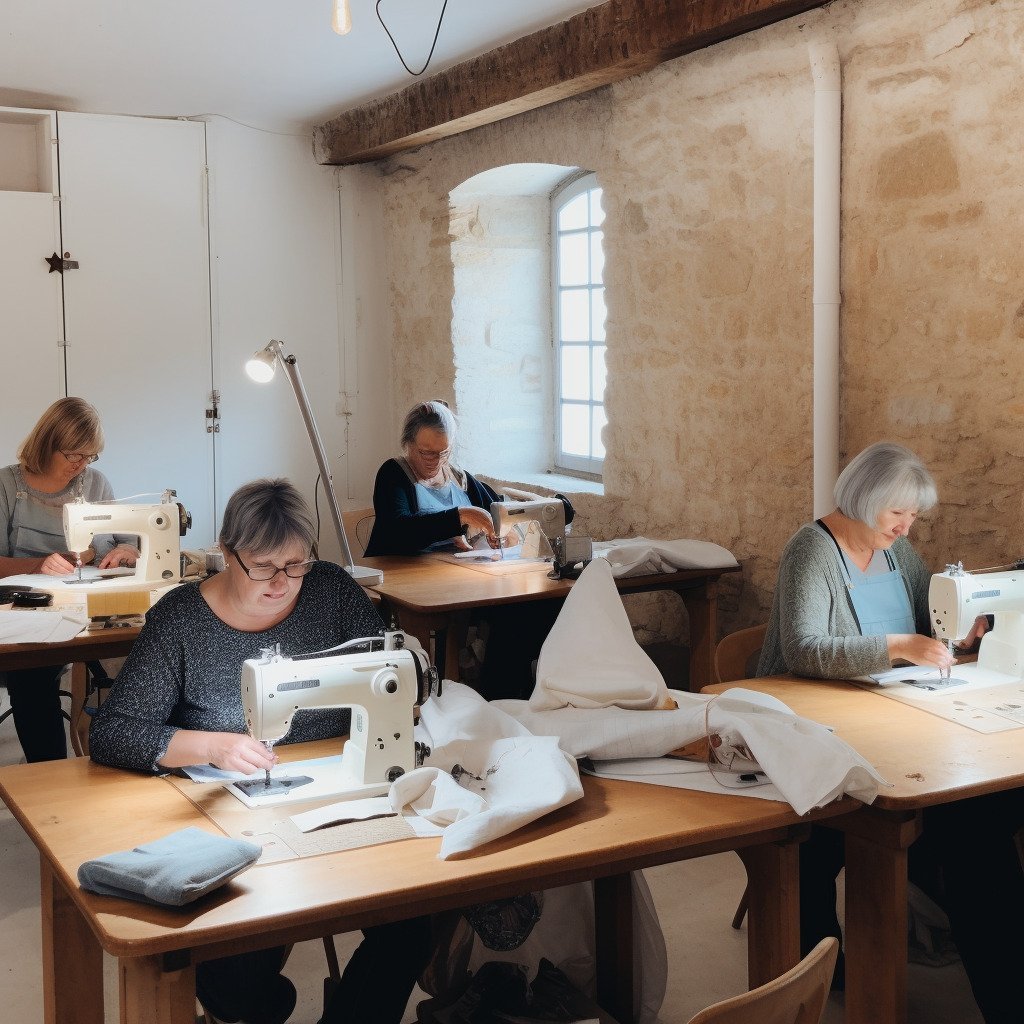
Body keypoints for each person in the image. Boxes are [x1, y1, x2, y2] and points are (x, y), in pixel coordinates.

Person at [90, 479, 431, 1024]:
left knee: (420, 912)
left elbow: (388, 673)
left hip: (338, 811)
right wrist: (211, 745)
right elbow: (113, 734)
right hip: (232, 824)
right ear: (227, 553)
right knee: (231, 977)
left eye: (296, 564)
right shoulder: (179, 620)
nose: (283, 583)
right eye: (264, 566)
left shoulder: (331, 591)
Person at [757, 441, 1019, 1023]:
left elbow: (931, 623)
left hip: (883, 708)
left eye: (914, 516)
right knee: (832, 837)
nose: (906, 526)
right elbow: (803, 649)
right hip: (802, 719)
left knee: (979, 810)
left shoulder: (901, 554)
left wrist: (963, 637)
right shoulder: (813, 549)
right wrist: (899, 647)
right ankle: (824, 961)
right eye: (898, 513)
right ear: (864, 498)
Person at [364, 401, 557, 699]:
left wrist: (499, 534)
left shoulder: (460, 479)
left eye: (443, 452)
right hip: (408, 579)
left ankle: (506, 695)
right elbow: (398, 530)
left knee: (532, 605)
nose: (434, 460)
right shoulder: (394, 474)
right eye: (425, 452)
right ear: (408, 444)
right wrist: (459, 518)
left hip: (455, 578)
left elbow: (500, 511)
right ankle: (481, 692)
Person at [0, 397, 139, 762]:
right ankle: (49, 775)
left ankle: (115, 760)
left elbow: (123, 537)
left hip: (84, 601)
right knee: (33, 676)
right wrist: (35, 565)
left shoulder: (94, 483)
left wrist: (127, 550)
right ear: (47, 444)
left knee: (138, 655)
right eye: (73, 455)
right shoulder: (6, 485)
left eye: (90, 456)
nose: (81, 466)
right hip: (24, 607)